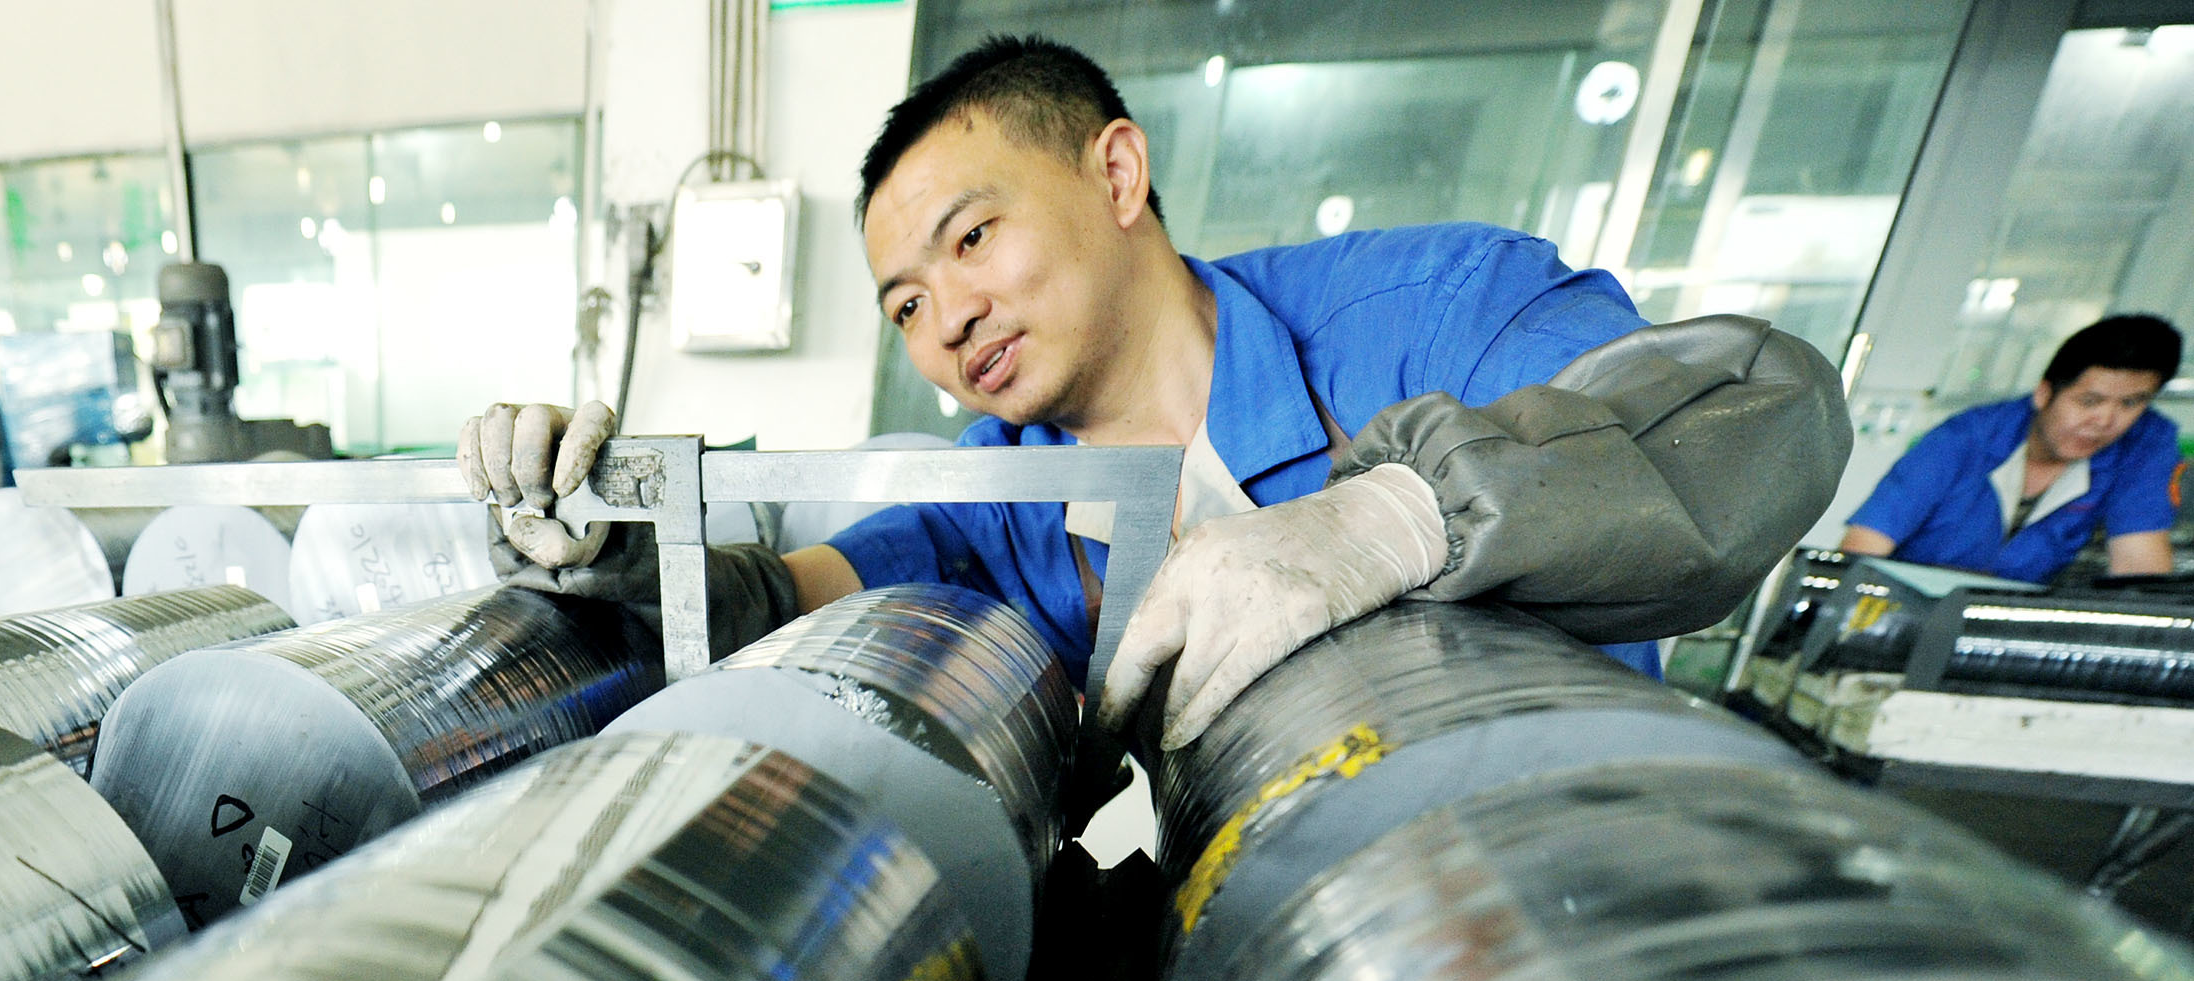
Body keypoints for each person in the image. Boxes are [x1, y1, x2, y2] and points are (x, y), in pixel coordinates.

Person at [457, 35, 1850, 748]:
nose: (949, 319)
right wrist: (624, 560)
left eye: (972, 238)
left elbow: (1761, 407)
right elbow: (795, 600)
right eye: (904, 306)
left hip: (1574, 886)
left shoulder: (1432, 316)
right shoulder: (1000, 498)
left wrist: (1400, 517)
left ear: (1117, 175)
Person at [1842, 315, 2181, 583]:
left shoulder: (2145, 444)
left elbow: (2139, 567)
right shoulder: (1964, 439)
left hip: (2009, 621)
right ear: (2044, 393)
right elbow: (1864, 547)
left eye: (2131, 403)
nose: (2105, 421)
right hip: (1900, 605)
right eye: (2089, 401)